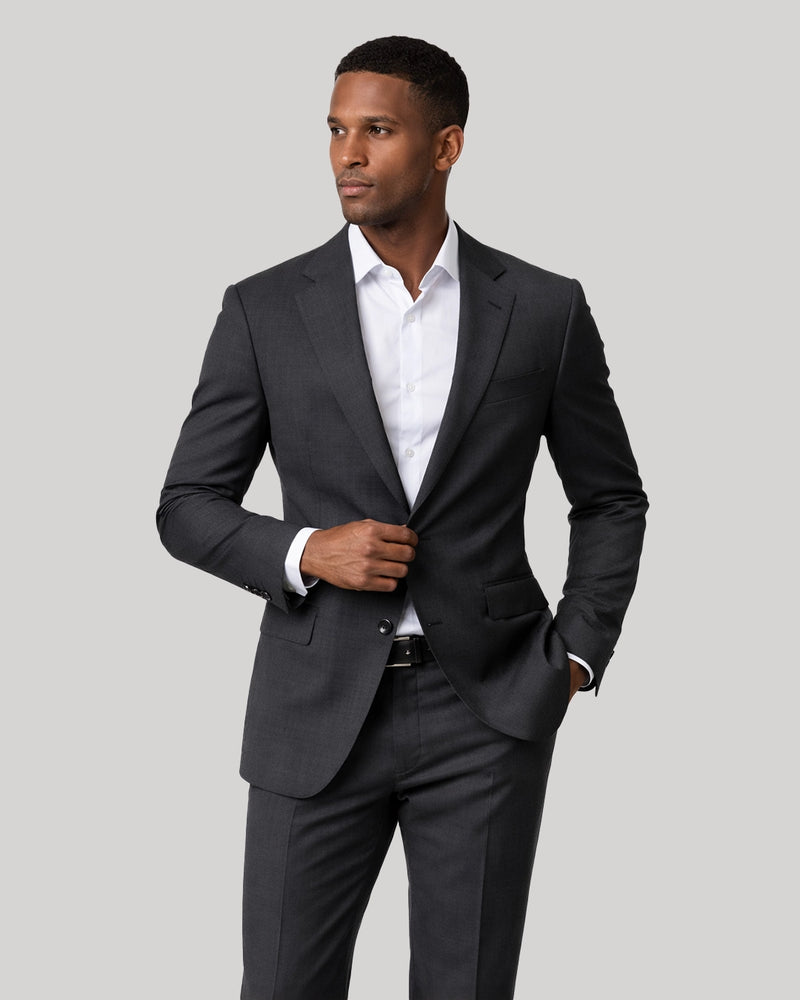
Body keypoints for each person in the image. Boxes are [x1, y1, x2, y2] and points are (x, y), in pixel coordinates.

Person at [157, 35, 647, 1000]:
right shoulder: (264, 309)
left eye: (377, 130)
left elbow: (610, 498)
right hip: (313, 710)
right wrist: (308, 550)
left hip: (489, 711)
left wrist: (576, 655)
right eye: (336, 130)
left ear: (446, 146)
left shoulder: (542, 308)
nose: (347, 154)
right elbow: (186, 505)